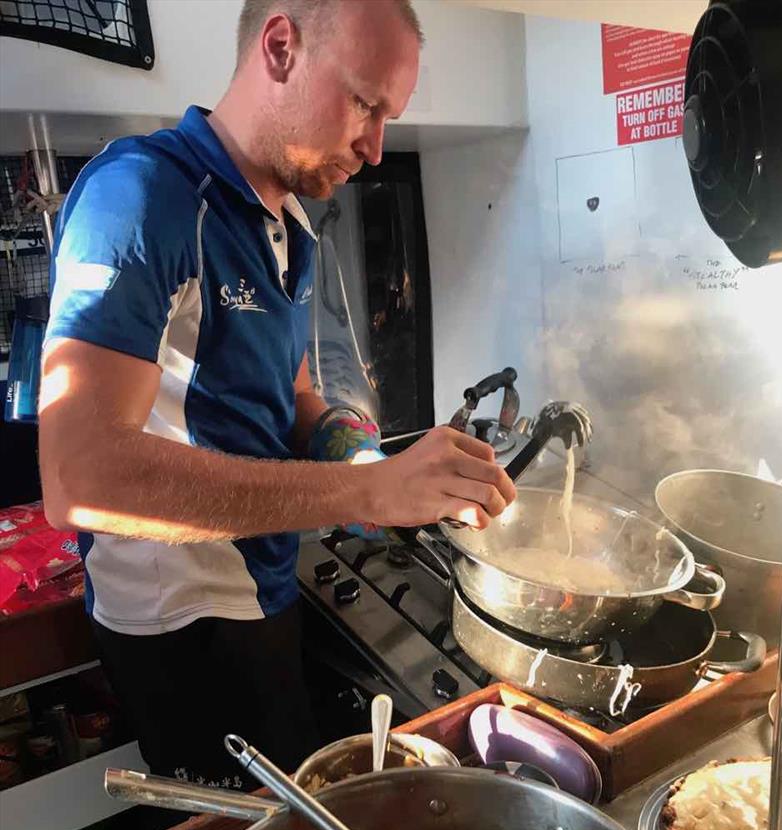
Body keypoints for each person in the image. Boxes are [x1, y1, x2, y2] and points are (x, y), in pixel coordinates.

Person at [38, 0, 516, 786]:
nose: (374, 147)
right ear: (282, 46)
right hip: (181, 630)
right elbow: (78, 478)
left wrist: (369, 462)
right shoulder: (142, 196)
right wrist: (365, 485)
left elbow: (289, 395)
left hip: (264, 590)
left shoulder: (290, 227)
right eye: (366, 103)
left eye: (388, 117)